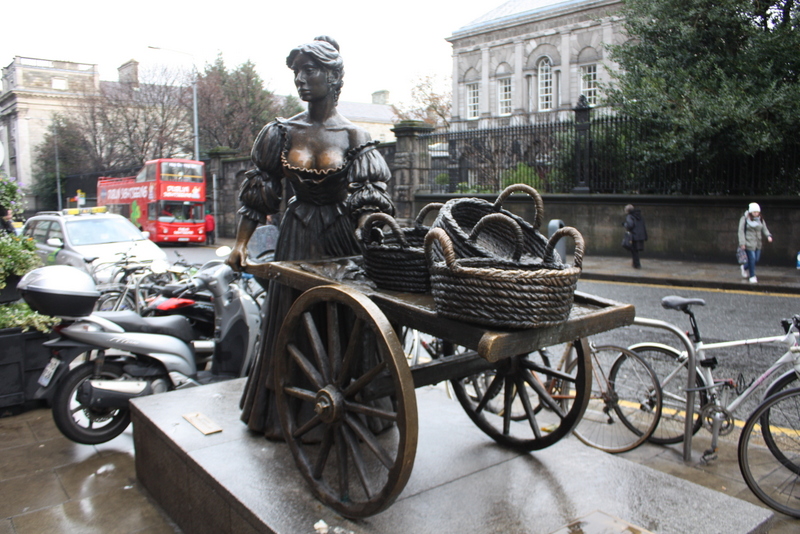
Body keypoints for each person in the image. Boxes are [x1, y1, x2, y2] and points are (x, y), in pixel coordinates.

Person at [227, 36, 395, 437]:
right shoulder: (281, 132)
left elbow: (369, 198)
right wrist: (241, 244)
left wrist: (367, 225)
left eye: (311, 70)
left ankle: (355, 405)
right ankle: (291, 413)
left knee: (347, 320)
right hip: (297, 236)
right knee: (294, 320)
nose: (301, 79)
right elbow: (259, 193)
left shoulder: (355, 136)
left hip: (341, 237)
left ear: (333, 76)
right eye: (297, 71)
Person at [738, 202, 772, 284]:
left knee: (756, 259)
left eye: (757, 212)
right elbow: (740, 231)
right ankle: (752, 276)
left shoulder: (760, 219)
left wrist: (768, 236)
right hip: (748, 242)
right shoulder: (744, 219)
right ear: (750, 212)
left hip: (758, 243)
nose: (756, 214)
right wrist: (742, 243)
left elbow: (764, 228)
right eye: (754, 212)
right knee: (752, 259)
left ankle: (744, 267)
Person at [623, 204, 647, 269]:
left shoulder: (630, 216)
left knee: (634, 251)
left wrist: (624, 224)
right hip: (640, 235)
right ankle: (635, 263)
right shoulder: (639, 215)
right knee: (636, 250)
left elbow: (630, 225)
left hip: (634, 235)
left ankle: (637, 264)